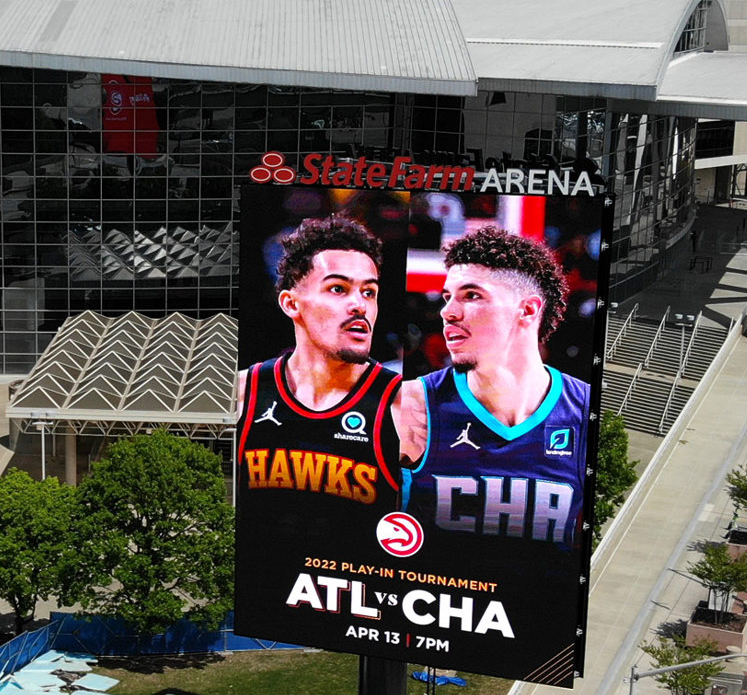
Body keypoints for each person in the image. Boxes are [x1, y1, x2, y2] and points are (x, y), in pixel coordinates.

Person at [398, 226, 590, 551]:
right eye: (448, 298)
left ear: (527, 311)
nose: (448, 312)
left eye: (472, 295)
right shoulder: (410, 405)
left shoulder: (584, 411)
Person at [236, 214, 402, 505]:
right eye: (338, 289)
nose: (359, 306)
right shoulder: (240, 394)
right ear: (291, 304)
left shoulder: (403, 404)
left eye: (369, 292)